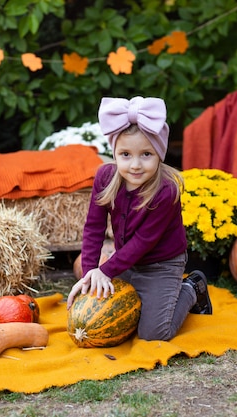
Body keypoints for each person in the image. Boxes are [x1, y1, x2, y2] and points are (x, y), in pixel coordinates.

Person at [66, 96, 212, 342]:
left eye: (146, 154)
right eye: (125, 154)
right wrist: (90, 273)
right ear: (115, 153)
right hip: (127, 261)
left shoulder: (166, 191)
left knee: (154, 333)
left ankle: (191, 288)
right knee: (102, 312)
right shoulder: (105, 177)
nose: (135, 165)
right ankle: (147, 297)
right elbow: (94, 228)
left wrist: (107, 269)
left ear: (159, 154)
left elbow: (144, 241)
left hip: (161, 264)